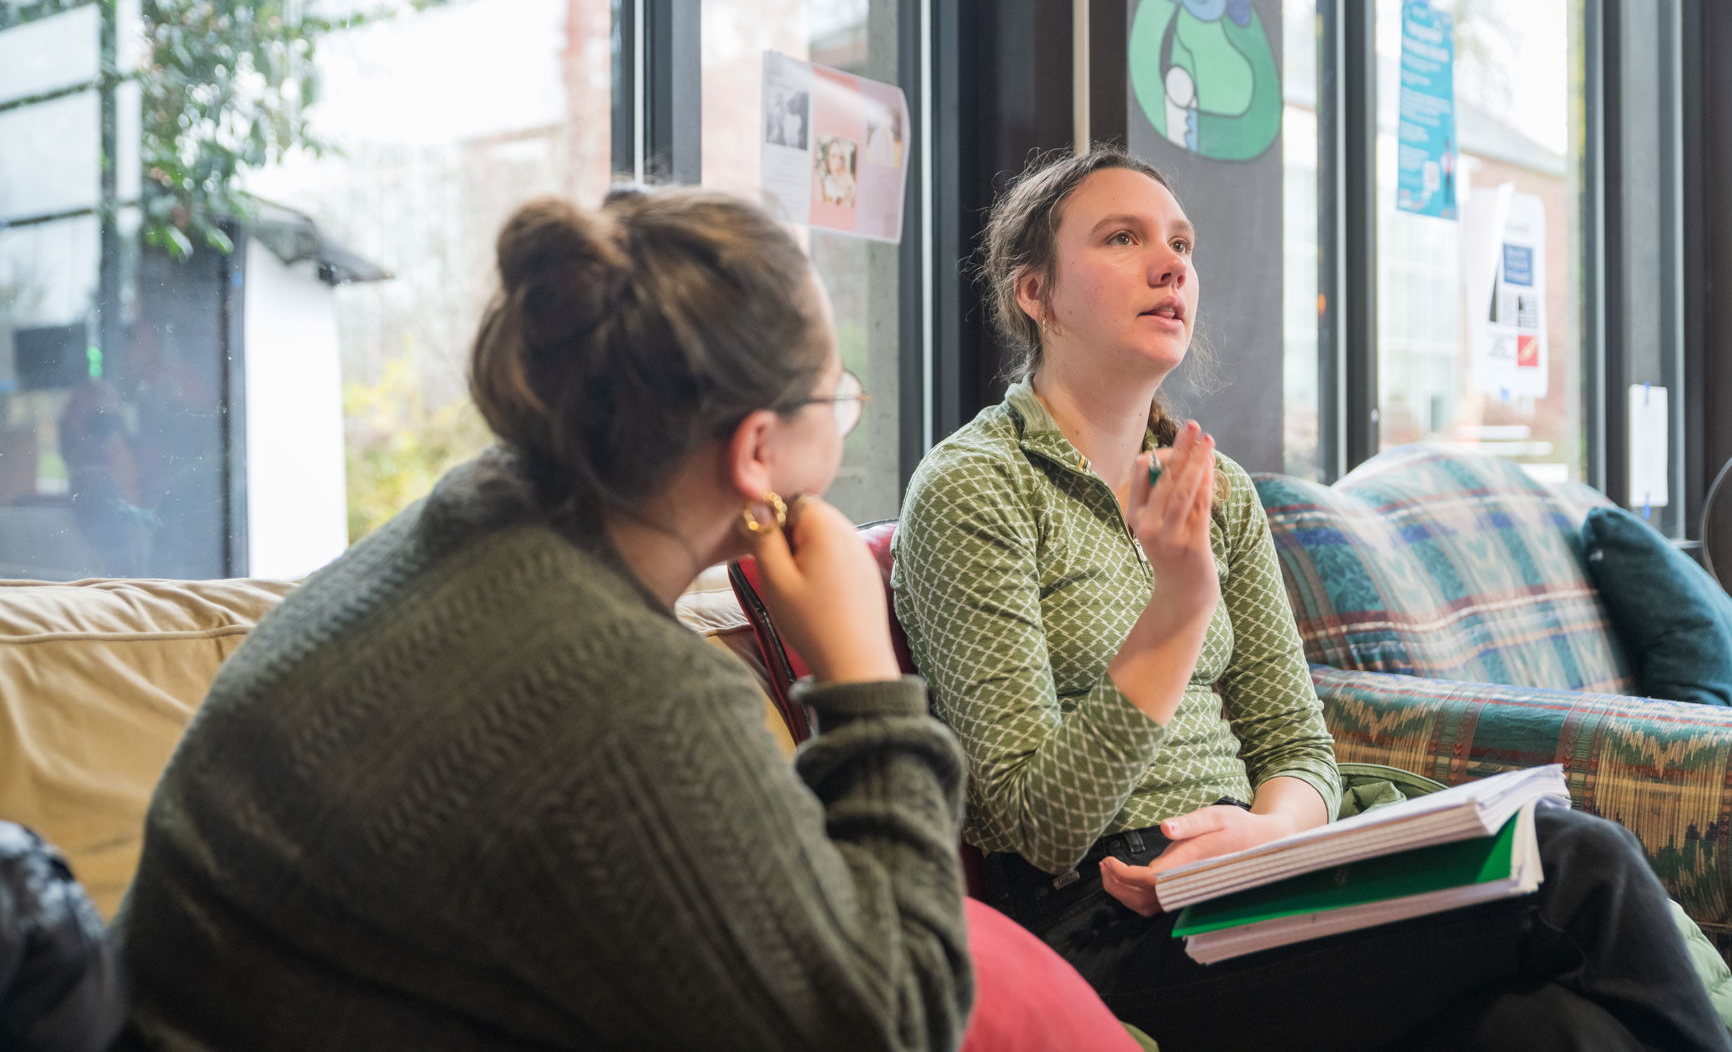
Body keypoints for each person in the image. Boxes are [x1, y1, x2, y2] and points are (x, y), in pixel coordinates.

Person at [890, 145, 1732, 1052]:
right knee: (1584, 865)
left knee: (1553, 1029)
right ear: (1036, 293)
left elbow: (1297, 745)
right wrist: (1174, 616)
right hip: (1108, 925)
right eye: (1123, 238)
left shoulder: (1222, 491)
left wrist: (1267, 831)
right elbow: (1036, 825)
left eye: (1180, 242)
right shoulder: (974, 489)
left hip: (1261, 875)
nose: (1172, 263)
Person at [112, 186, 974, 1051]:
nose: (848, 419)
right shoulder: (635, 702)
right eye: (838, 398)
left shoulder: (476, 510)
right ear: (757, 451)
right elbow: (896, 1024)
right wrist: (866, 677)